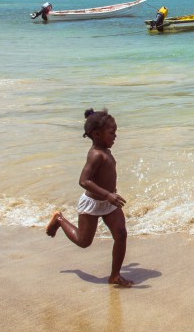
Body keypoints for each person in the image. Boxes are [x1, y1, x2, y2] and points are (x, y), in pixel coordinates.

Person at [45, 108, 134, 288]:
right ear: (97, 134)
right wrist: (108, 194)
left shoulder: (106, 150)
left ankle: (115, 275)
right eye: (111, 133)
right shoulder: (96, 154)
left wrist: (110, 196)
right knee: (84, 242)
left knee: (121, 235)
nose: (115, 136)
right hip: (93, 203)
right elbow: (84, 181)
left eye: (115, 132)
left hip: (109, 203)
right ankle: (59, 219)